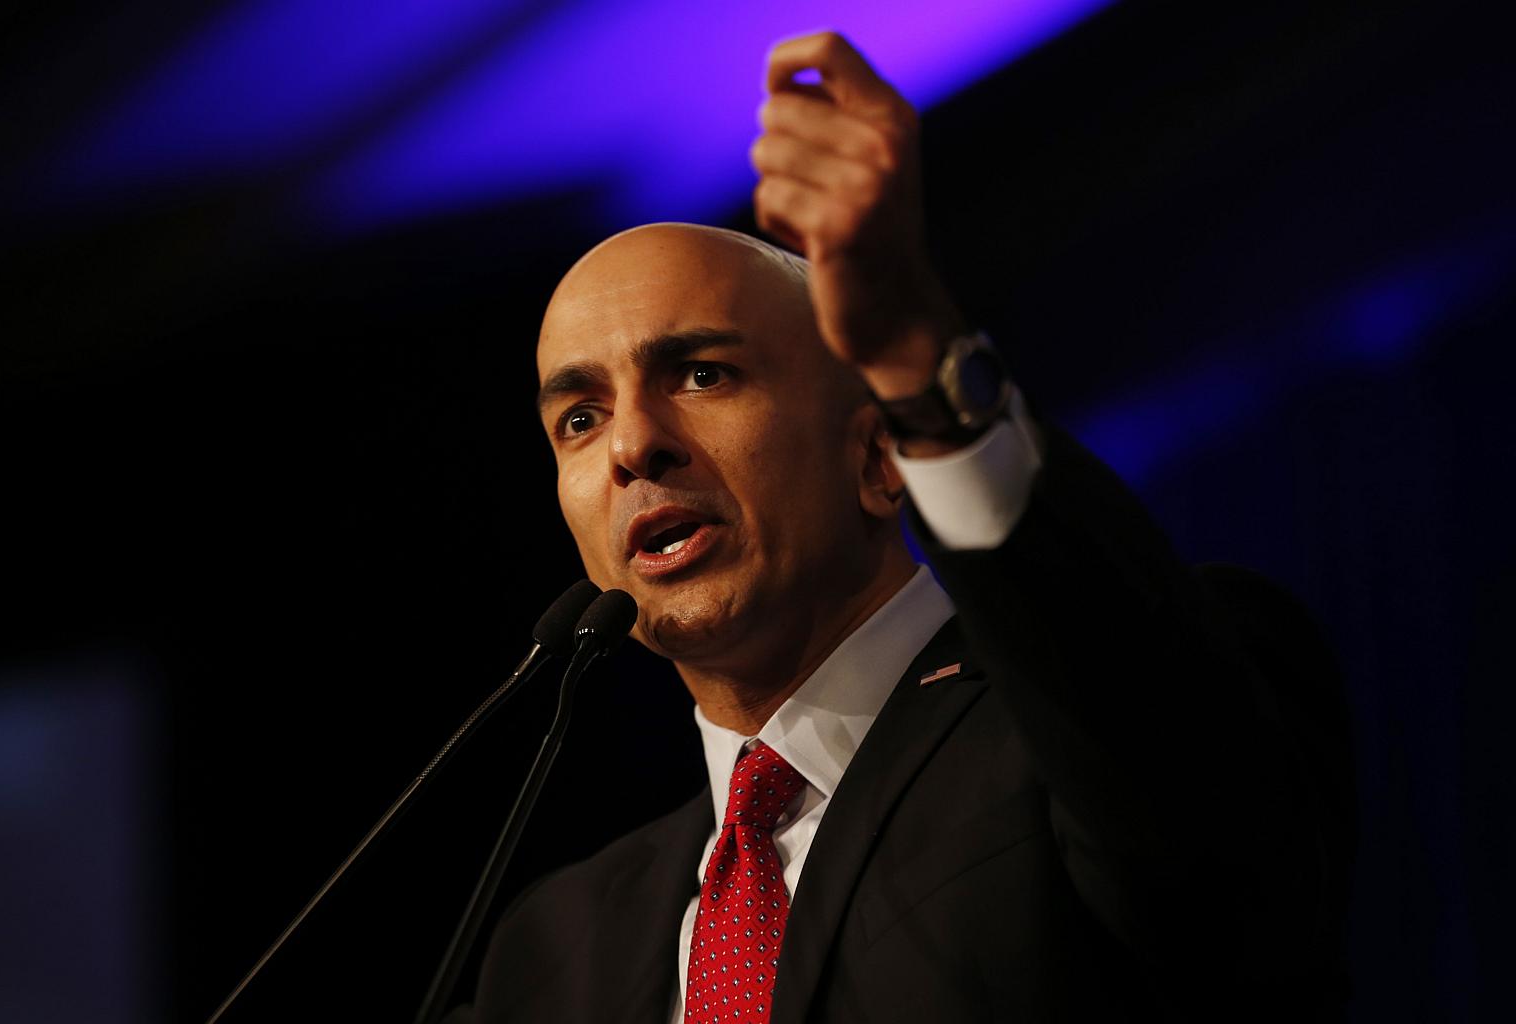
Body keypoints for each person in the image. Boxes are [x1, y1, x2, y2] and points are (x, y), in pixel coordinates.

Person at [454, 30, 1353, 1023]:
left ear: (879, 453)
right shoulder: (544, 959)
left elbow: (1224, 885)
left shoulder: (1088, 729)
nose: (633, 444)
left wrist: (921, 366)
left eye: (703, 374)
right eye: (579, 417)